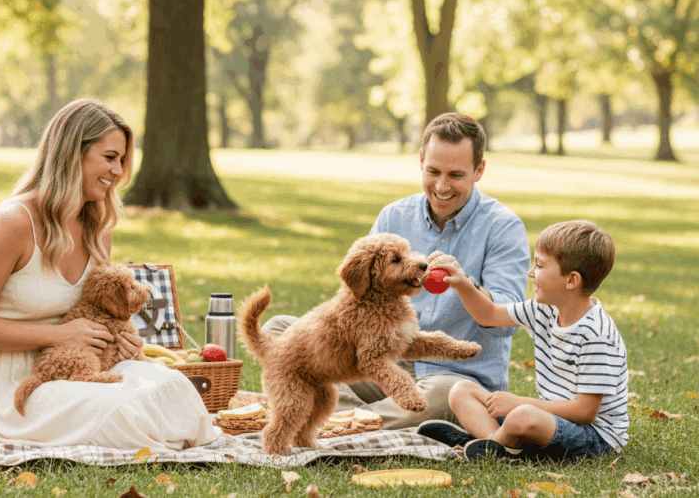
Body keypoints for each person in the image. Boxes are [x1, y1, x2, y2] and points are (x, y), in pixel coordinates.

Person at [0, 98, 219, 450]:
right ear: (71, 153)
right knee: (123, 410)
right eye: (109, 158)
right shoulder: (13, 222)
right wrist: (58, 336)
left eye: (122, 160)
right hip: (13, 381)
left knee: (173, 387)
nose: (119, 172)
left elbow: (102, 314)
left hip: (84, 363)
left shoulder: (98, 227)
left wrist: (125, 344)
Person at [263, 112, 531, 429]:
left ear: (479, 170)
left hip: (454, 378)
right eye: (433, 171)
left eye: (456, 175)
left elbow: (508, 323)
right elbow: (356, 294)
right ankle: (367, 418)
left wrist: (466, 286)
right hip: (378, 363)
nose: (442, 186)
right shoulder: (394, 216)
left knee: (444, 395)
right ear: (420, 161)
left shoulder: (503, 227)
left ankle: (342, 420)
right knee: (279, 330)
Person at [420, 220, 627, 461]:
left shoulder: (597, 335)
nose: (531, 273)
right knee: (461, 391)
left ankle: (486, 448)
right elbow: (488, 315)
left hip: (594, 438)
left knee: (522, 415)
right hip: (551, 421)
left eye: (539, 265)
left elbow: (585, 412)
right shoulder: (544, 309)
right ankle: (500, 447)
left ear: (571, 280)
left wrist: (518, 403)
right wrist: (463, 283)